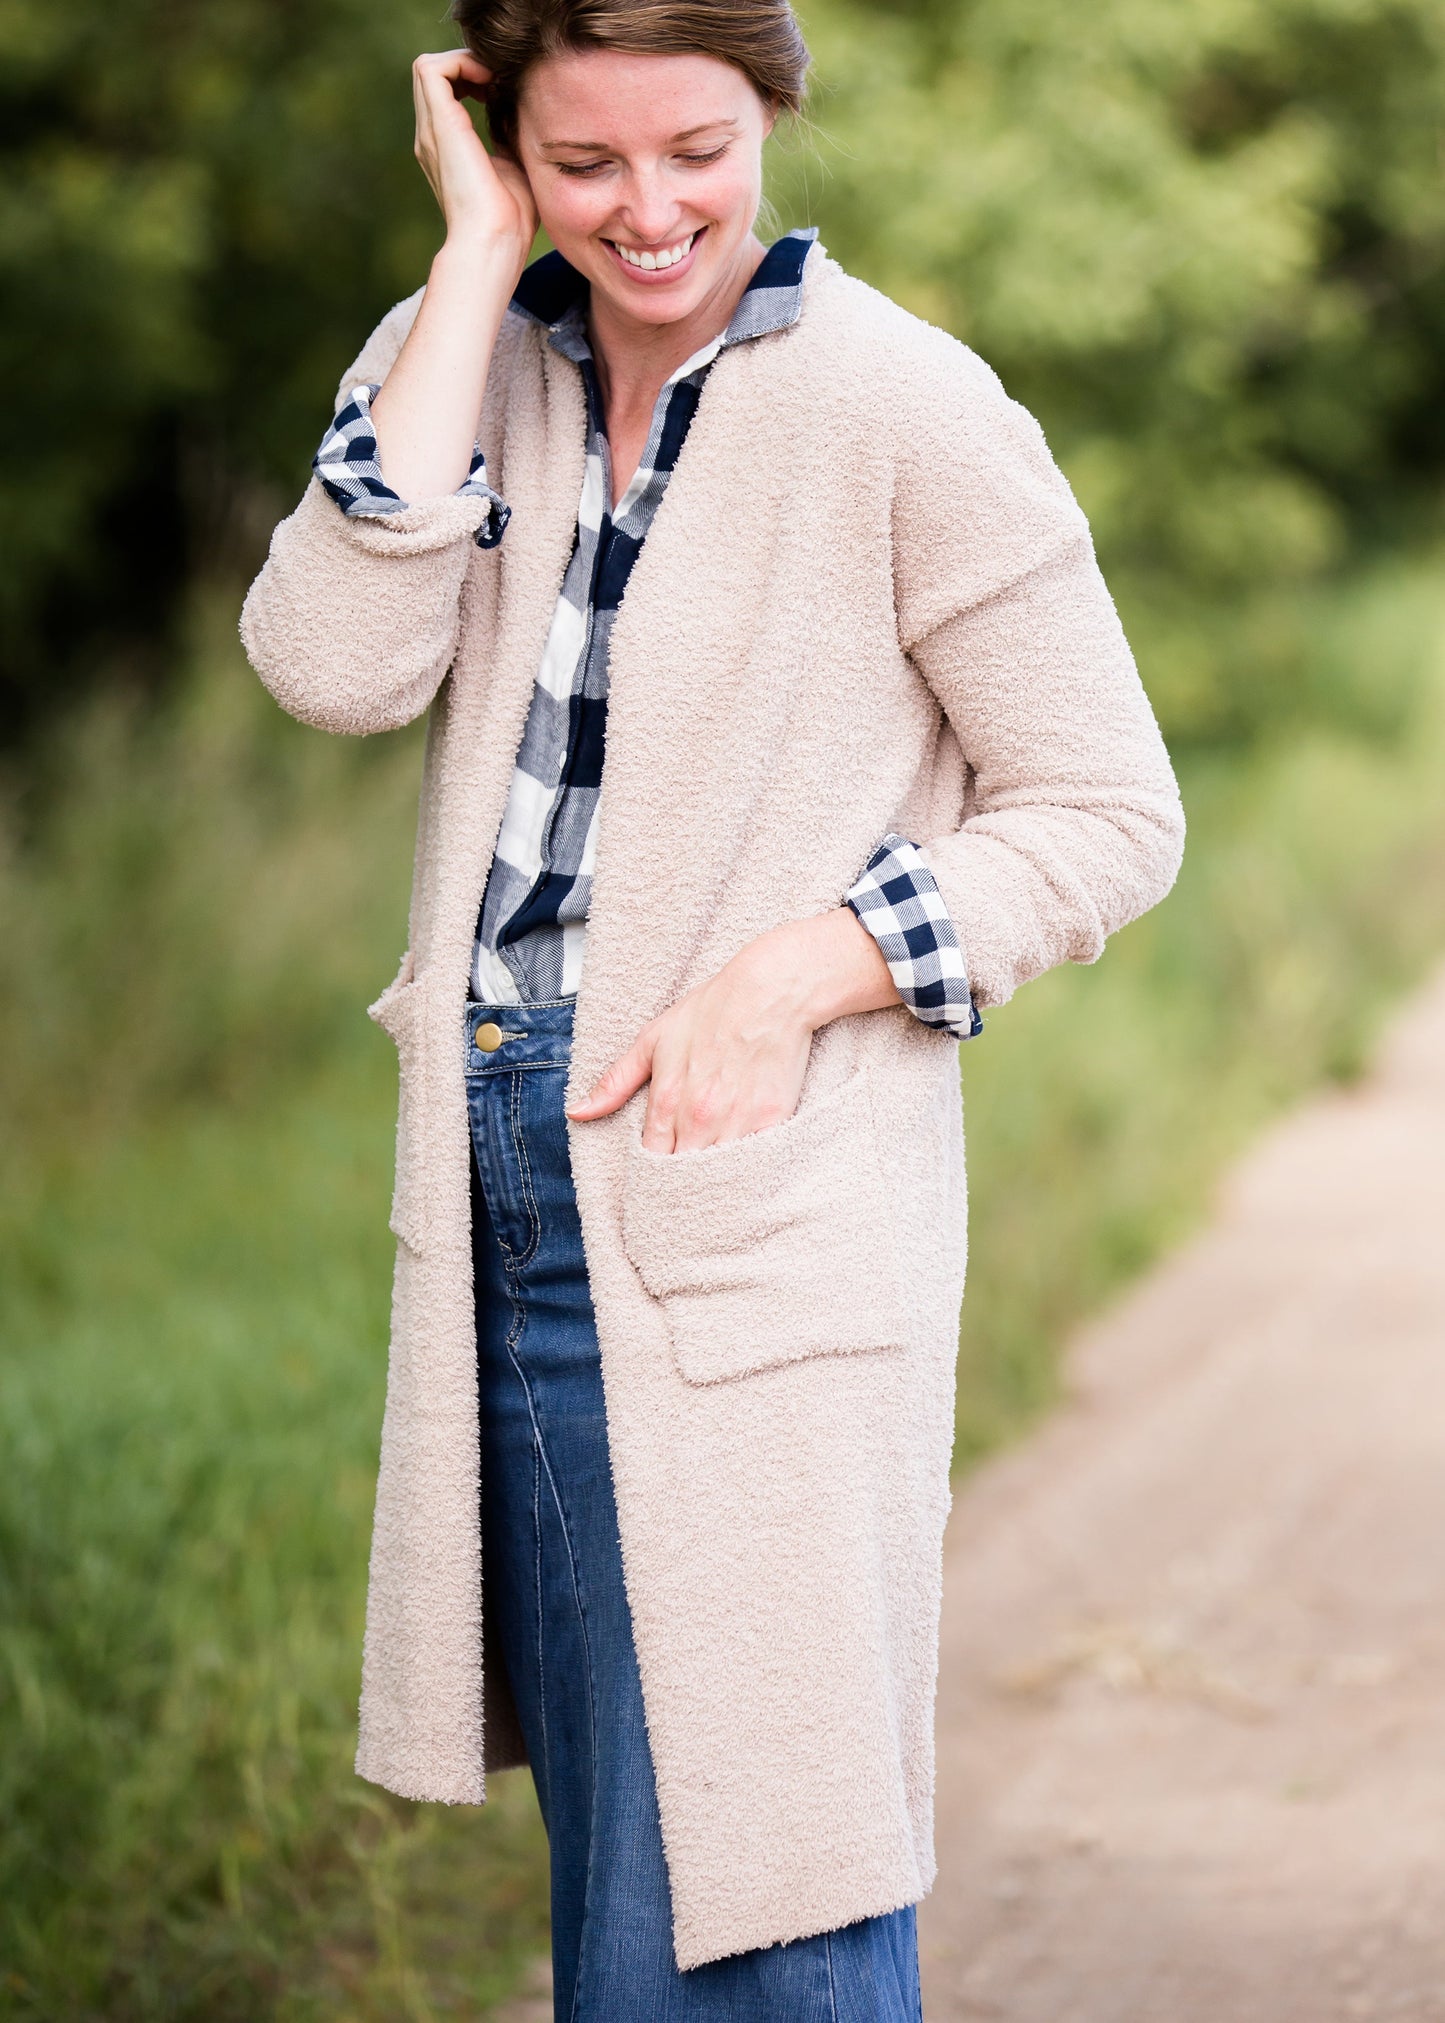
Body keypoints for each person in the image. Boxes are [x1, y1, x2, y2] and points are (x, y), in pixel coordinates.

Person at [240, 2, 1185, 2014]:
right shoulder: (464, 366)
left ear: (770, 110)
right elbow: (330, 663)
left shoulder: (909, 408)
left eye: (697, 148)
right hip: (502, 1171)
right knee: (635, 1845)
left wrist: (796, 969)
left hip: (733, 1173)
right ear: (498, 144)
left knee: (755, 1864)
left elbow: (1107, 811)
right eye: (583, 167)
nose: (650, 210)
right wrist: (473, 263)